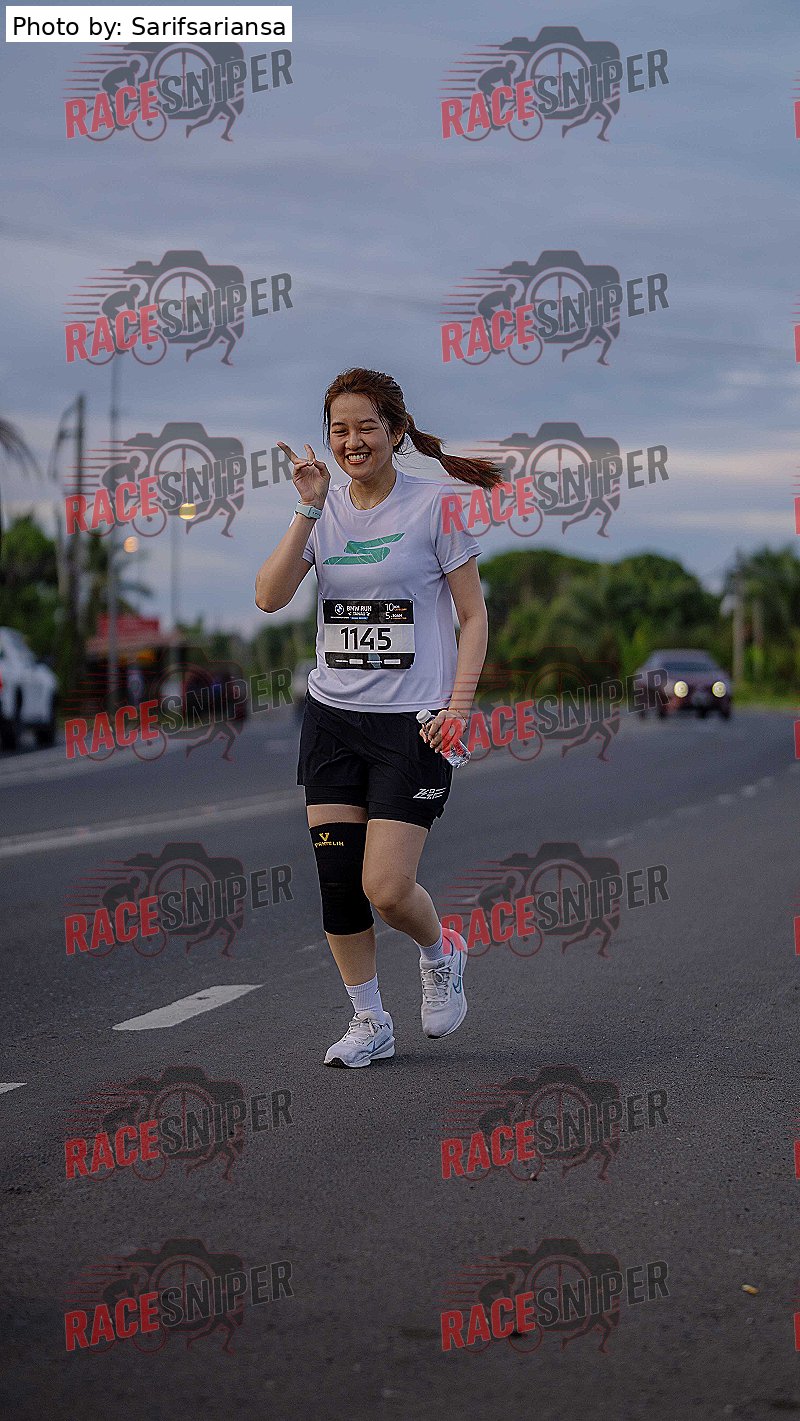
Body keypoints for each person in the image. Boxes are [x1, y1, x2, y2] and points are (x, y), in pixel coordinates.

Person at [255, 368, 503, 1067]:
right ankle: (369, 1020)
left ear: (395, 432)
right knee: (339, 884)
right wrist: (307, 509)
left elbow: (473, 616)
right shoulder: (323, 510)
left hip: (414, 724)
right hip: (333, 718)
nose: (352, 441)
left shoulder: (434, 506)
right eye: (339, 429)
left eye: (367, 426)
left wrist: (458, 707)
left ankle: (440, 951)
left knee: (387, 890)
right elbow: (269, 596)